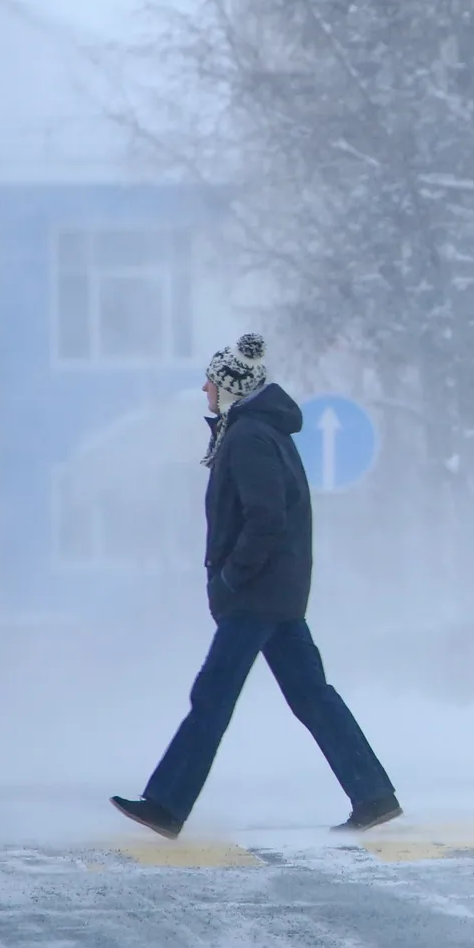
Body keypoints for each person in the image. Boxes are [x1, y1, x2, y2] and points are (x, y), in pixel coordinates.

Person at [110, 334, 400, 839]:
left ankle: (166, 805)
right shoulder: (264, 433)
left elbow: (266, 518)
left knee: (213, 695)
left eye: (211, 382)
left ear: (229, 388)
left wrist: (232, 576)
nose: (204, 388)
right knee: (313, 696)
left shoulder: (247, 438)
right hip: (277, 593)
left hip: (257, 595)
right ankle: (374, 796)